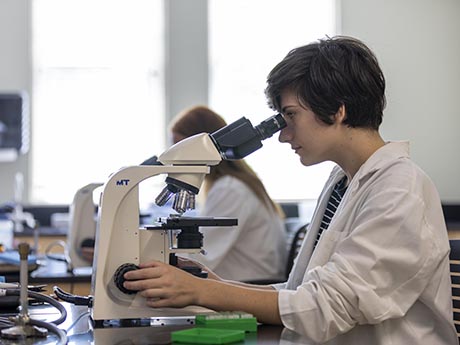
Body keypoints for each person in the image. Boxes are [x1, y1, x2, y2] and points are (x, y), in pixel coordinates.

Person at [123, 36, 457, 344]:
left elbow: (324, 308)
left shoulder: (399, 190)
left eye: (291, 116)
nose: (283, 135)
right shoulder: (343, 182)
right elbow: (302, 293)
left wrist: (200, 292)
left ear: (337, 110)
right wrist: (213, 285)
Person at [168, 105, 287, 282]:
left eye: (180, 146)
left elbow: (201, 257)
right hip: (246, 282)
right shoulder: (235, 184)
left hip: (250, 287)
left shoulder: (230, 189)